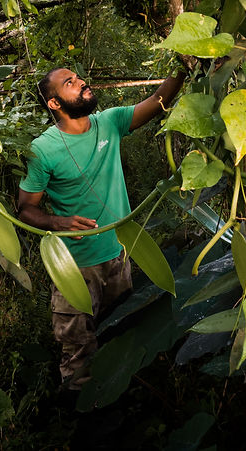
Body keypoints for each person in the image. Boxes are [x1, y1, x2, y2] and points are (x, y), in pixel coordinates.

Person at [17, 65, 187, 391]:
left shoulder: (109, 122)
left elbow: (157, 99)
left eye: (79, 78)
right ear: (54, 104)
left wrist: (183, 67)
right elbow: (25, 209)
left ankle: (119, 400)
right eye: (70, 83)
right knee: (78, 348)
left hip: (118, 254)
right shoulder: (43, 150)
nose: (82, 83)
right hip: (76, 267)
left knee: (117, 335)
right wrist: (58, 221)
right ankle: (78, 415)